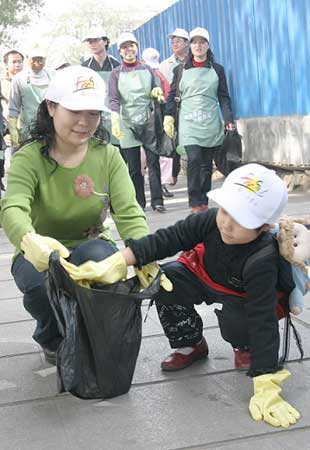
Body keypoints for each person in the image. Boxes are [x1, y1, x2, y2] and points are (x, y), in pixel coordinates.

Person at [87, 163, 302, 429]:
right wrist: (119, 260)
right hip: (202, 272)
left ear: (264, 226)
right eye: (225, 211)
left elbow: (263, 319)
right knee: (166, 281)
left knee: (243, 320)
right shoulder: (210, 221)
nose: (226, 224)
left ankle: (244, 346)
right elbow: (167, 239)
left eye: (241, 219)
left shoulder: (262, 259)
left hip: (242, 295)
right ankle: (191, 343)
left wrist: (266, 380)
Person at [0, 65, 153, 365]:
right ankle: (51, 335)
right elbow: (12, 207)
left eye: (93, 113)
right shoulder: (29, 158)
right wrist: (28, 240)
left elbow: (129, 213)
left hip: (90, 242)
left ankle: (89, 332)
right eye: (75, 111)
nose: (85, 122)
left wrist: (146, 250)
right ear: (52, 107)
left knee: (103, 259)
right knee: (39, 285)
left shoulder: (108, 155)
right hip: (40, 249)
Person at [164, 27, 235, 213]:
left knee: (206, 164)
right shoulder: (180, 70)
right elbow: (172, 95)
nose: (198, 46)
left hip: (210, 121)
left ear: (207, 46)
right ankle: (195, 202)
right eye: (194, 42)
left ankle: (204, 199)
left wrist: (228, 119)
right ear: (190, 46)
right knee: (194, 159)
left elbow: (224, 96)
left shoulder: (217, 70)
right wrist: (169, 116)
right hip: (188, 122)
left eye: (202, 42)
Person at [109, 32, 166, 212]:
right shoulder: (116, 74)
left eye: (131, 46)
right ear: (120, 51)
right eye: (125, 47)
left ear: (137, 47)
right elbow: (114, 98)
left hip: (147, 120)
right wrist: (115, 118)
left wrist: (156, 91)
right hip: (127, 122)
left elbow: (154, 87)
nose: (129, 50)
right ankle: (139, 203)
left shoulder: (147, 69)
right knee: (133, 167)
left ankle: (157, 201)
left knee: (153, 162)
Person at [141, 47, 173, 199]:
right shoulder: (136, 75)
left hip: (156, 121)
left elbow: (167, 96)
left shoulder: (159, 76)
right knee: (153, 158)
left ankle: (159, 190)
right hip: (144, 122)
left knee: (156, 157)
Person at [159, 28, 189, 187]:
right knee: (173, 139)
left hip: (190, 106)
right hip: (173, 107)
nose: (174, 44)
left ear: (186, 43)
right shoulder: (166, 64)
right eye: (173, 41)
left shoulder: (194, 60)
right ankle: (173, 172)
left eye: (178, 41)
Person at [7, 47, 54, 147]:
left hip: (52, 128)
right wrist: (13, 129)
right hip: (28, 132)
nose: (37, 63)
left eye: (40, 59)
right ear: (28, 60)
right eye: (34, 59)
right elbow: (13, 108)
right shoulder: (18, 79)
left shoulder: (54, 76)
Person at [82, 27, 120, 146]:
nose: (93, 44)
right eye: (90, 41)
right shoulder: (84, 68)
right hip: (93, 115)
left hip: (115, 116)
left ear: (105, 41)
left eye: (96, 40)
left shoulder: (117, 66)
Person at [0, 50, 24, 187]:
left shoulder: (28, 80)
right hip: (8, 134)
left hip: (27, 130)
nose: (17, 65)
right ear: (6, 65)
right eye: (14, 62)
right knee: (11, 167)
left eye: (20, 62)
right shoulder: (2, 83)